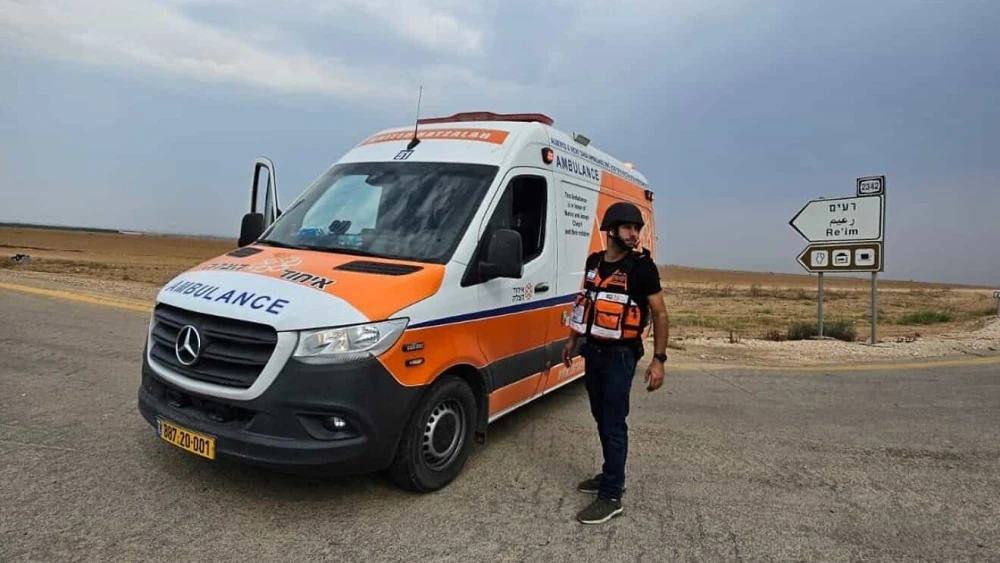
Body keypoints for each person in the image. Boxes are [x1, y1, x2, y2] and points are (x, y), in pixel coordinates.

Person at [561, 200, 670, 525]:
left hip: (621, 356)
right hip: (592, 350)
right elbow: (586, 304)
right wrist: (571, 339)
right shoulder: (594, 262)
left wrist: (659, 360)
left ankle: (611, 494)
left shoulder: (642, 269)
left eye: (638, 228)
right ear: (611, 230)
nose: (635, 234)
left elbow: (661, 314)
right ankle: (609, 473)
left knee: (613, 421)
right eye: (629, 227)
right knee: (600, 416)